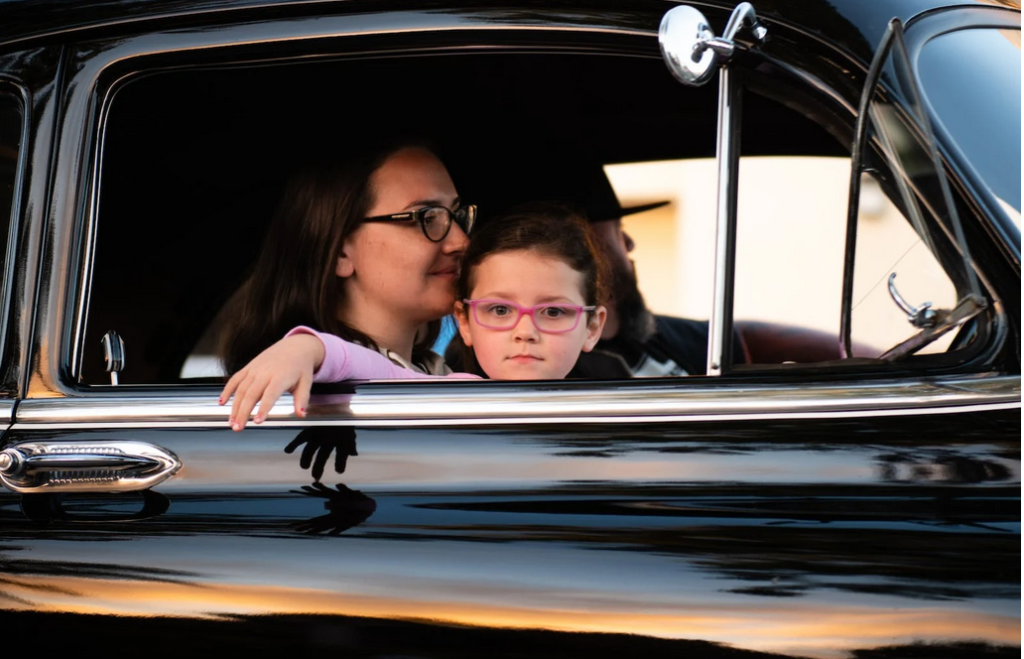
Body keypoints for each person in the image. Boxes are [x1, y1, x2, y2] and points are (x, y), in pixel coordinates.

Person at [219, 203, 609, 428]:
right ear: (465, 322)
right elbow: (372, 365)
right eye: (501, 309)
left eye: (554, 311)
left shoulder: (616, 411)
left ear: (593, 327)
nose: (526, 331)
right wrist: (308, 348)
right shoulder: (453, 393)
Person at [218, 136, 474, 427]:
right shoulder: (293, 402)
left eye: (456, 215)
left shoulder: (442, 373)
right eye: (425, 217)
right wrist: (308, 349)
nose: (461, 242)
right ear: (339, 250)